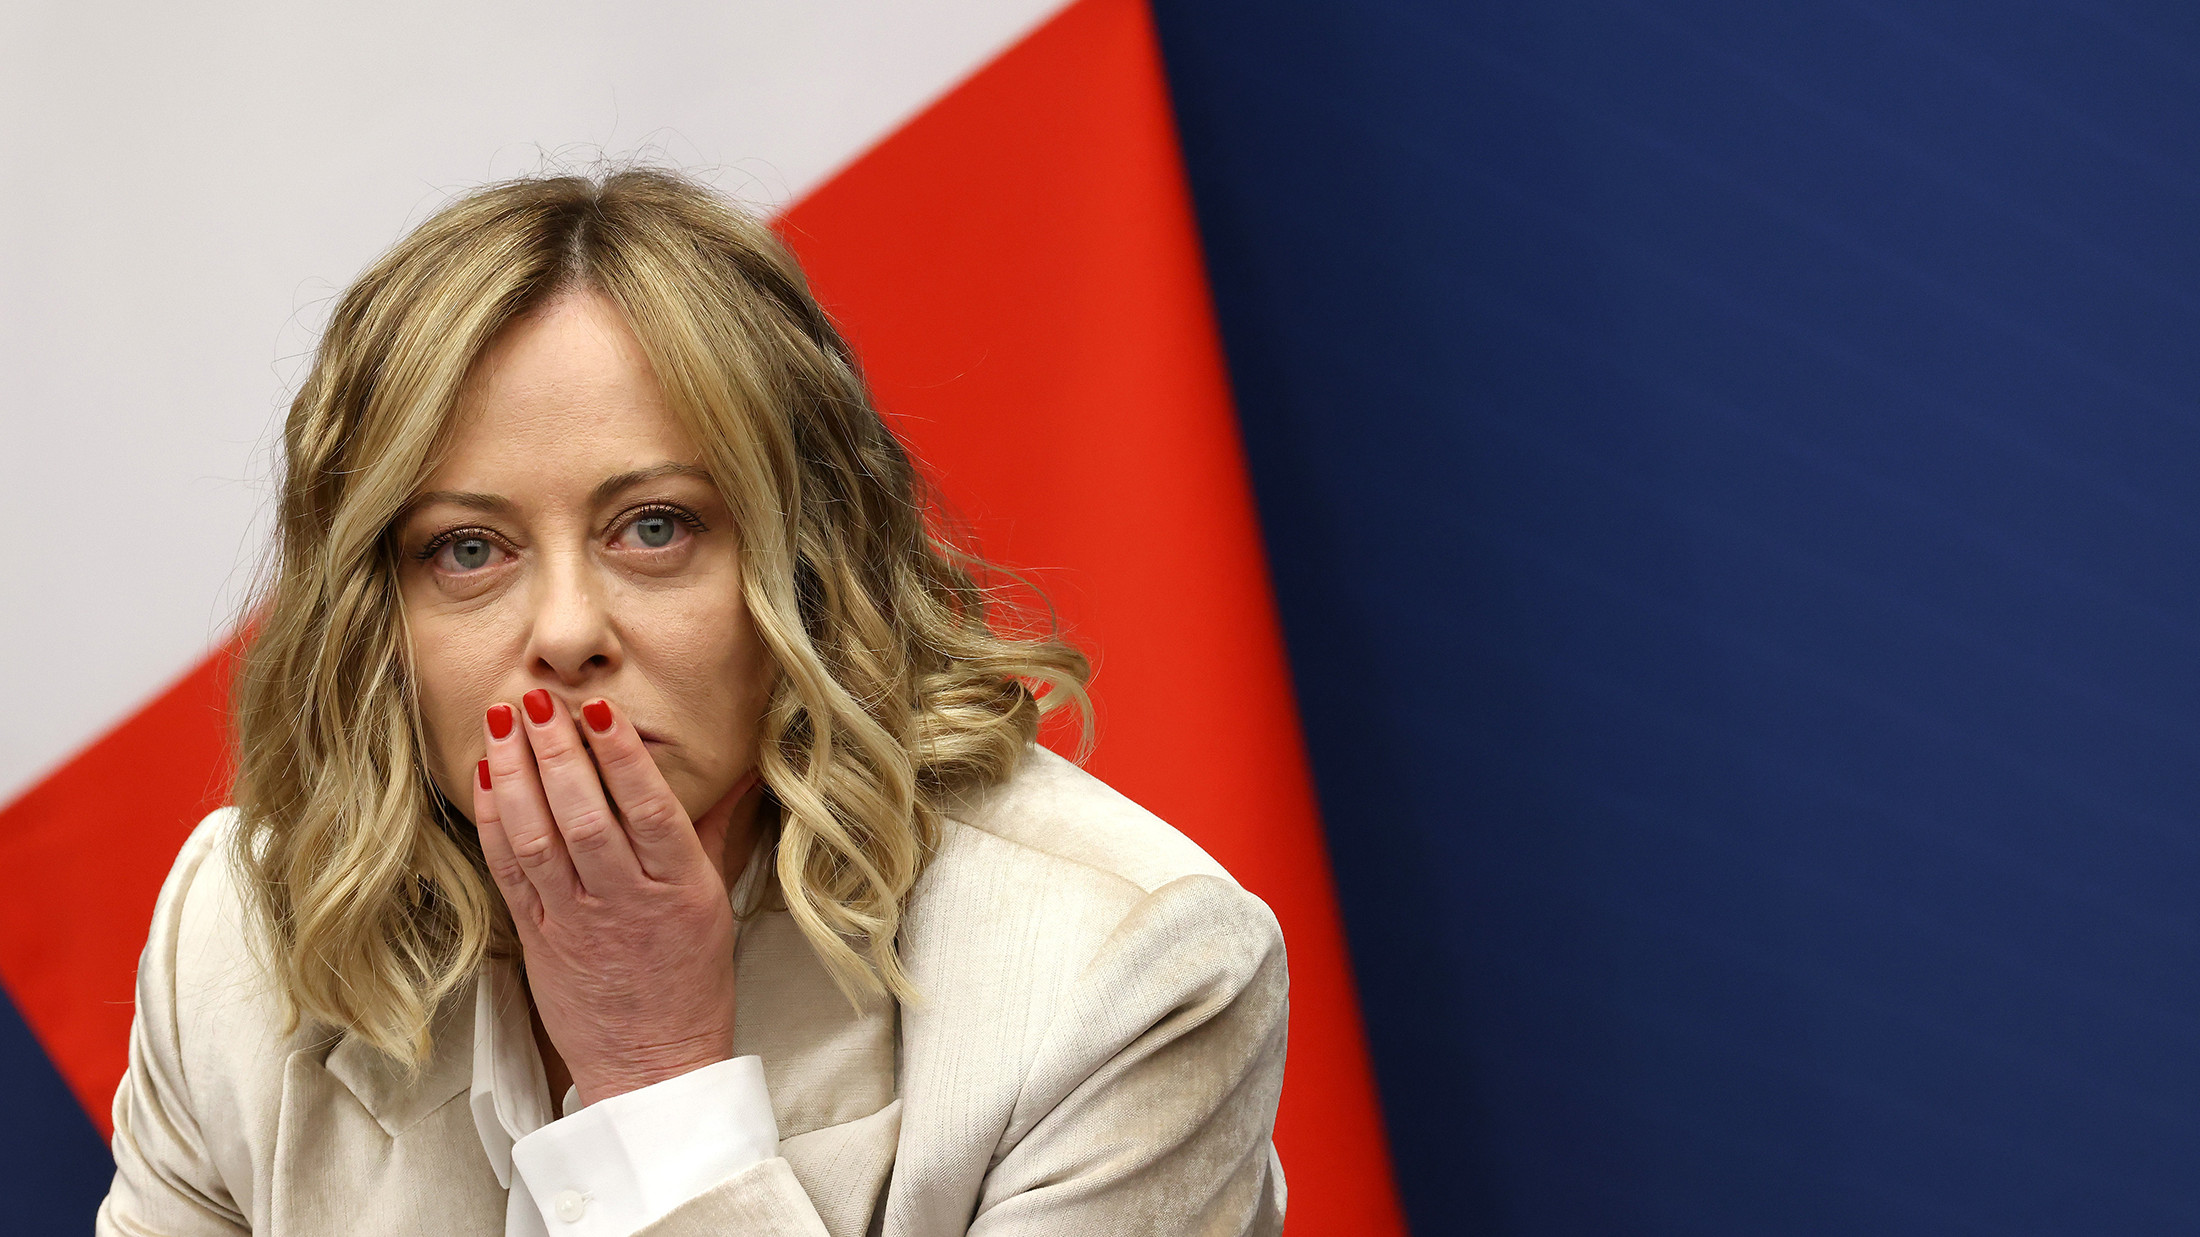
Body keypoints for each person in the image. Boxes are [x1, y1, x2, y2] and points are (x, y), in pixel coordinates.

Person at [93, 168, 1287, 1237]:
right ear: (374, 622)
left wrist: (654, 1085)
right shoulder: (234, 932)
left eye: (654, 527)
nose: (566, 631)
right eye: (467, 549)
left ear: (809, 565)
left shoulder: (1125, 973)